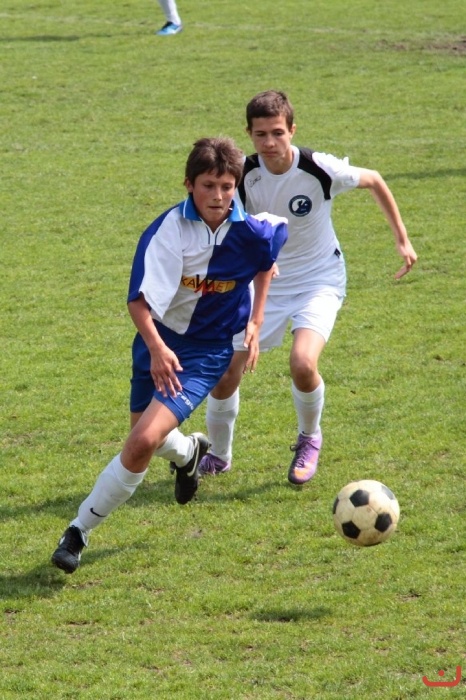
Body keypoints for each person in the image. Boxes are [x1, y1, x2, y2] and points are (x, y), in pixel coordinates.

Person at [51, 137, 288, 574]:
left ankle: (78, 531)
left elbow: (265, 263)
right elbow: (138, 302)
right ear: (188, 184)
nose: (218, 196)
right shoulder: (167, 231)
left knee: (140, 442)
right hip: (157, 341)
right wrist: (157, 349)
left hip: (207, 351)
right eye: (208, 185)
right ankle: (189, 453)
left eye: (227, 186)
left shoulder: (255, 231)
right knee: (150, 439)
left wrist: (256, 321)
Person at [199, 90, 418, 485]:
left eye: (277, 133)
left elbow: (374, 180)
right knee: (226, 371)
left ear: (292, 130)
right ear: (249, 134)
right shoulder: (242, 175)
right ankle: (218, 454)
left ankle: (309, 438)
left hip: (319, 279)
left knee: (302, 363)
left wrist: (402, 239)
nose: (269, 142)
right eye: (260, 134)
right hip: (265, 281)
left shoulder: (319, 168)